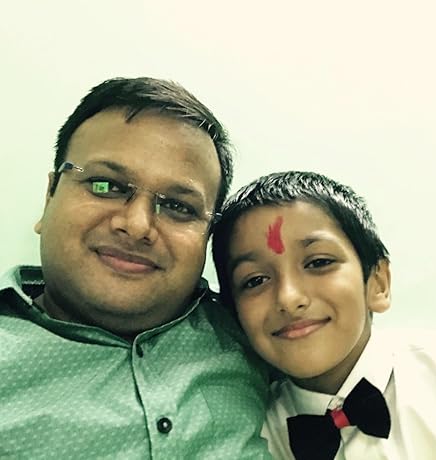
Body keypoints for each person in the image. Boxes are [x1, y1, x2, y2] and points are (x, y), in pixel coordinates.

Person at [0, 77, 272, 459]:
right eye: (106, 185)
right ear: (50, 196)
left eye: (178, 206)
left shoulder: (261, 335)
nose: (137, 225)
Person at [212, 170, 436, 460]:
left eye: (318, 262)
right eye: (255, 280)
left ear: (378, 283)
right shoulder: (245, 433)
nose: (289, 298)